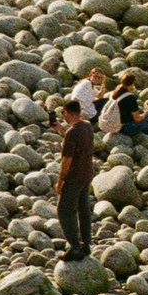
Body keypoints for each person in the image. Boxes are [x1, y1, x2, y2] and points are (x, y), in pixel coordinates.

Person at [56, 99, 95, 259]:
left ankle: (75, 248)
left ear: (67, 112)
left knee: (65, 211)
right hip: (87, 173)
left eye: (63, 113)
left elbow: (67, 160)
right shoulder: (87, 126)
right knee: (83, 209)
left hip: (74, 176)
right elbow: (75, 141)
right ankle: (86, 244)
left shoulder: (72, 132)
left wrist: (60, 181)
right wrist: (60, 130)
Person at [114, 72, 148, 145]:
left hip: (115, 125)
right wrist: (146, 113)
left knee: (140, 112)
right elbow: (137, 119)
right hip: (125, 129)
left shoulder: (115, 93)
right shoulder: (130, 97)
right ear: (132, 83)